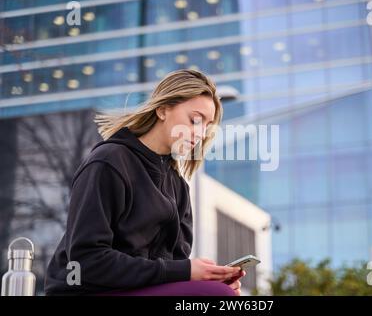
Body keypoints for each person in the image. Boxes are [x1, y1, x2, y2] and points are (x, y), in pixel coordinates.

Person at [44, 69, 245, 296]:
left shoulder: (179, 188)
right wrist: (189, 276)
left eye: (207, 126)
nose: (200, 133)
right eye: (194, 120)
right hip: (83, 291)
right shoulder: (109, 162)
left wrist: (205, 279)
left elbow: (172, 269)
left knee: (221, 293)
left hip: (138, 290)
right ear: (162, 110)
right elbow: (85, 262)